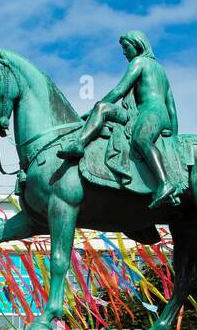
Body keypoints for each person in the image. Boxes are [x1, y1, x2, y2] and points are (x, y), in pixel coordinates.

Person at [57, 30, 180, 209]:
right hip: (141, 113)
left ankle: (165, 183)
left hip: (153, 112)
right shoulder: (162, 71)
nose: (124, 52)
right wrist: (94, 111)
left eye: (126, 47)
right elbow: (173, 110)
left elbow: (120, 90)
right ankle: (79, 144)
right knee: (102, 108)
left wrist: (172, 136)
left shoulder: (139, 62)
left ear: (137, 45)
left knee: (141, 139)